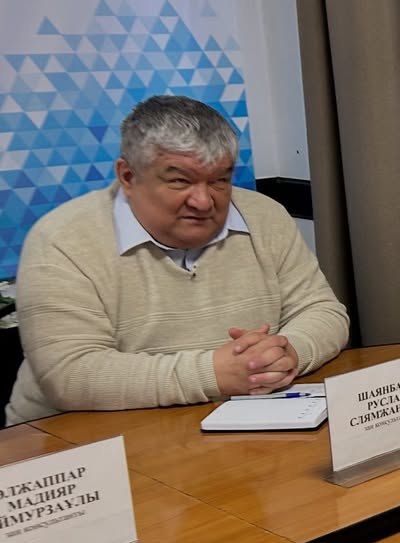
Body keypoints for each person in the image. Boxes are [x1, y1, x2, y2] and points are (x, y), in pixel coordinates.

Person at [5, 95, 349, 425]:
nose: (203, 201)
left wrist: (288, 354)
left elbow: (323, 312)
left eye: (219, 180)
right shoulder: (62, 239)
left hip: (242, 431)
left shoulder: (264, 216)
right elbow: (70, 375)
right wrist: (214, 373)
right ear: (128, 176)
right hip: (79, 448)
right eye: (180, 181)